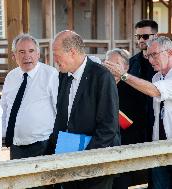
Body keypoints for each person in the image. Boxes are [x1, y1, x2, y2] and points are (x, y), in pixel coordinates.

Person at [48, 30, 120, 189]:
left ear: (72, 52)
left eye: (57, 54)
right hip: (68, 161)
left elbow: (109, 127)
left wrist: (84, 159)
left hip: (96, 165)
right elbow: (62, 118)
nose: (55, 60)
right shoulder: (64, 76)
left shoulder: (102, 76)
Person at [104, 36, 172, 189]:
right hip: (159, 148)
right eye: (148, 55)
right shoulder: (156, 77)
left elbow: (155, 91)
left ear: (170, 52)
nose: (150, 59)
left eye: (154, 54)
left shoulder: (150, 83)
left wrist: (123, 75)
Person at [0, 33, 58, 160]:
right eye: (21, 52)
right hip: (15, 145)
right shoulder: (11, 76)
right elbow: (3, 109)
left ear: (38, 54)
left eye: (31, 51)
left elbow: (59, 110)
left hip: (43, 144)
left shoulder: (51, 75)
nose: (27, 56)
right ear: (14, 56)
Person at [105, 49, 148, 188]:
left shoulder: (134, 89)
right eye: (109, 63)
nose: (112, 67)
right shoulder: (101, 87)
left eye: (116, 63)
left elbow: (133, 122)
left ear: (126, 67)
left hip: (125, 148)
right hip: (102, 148)